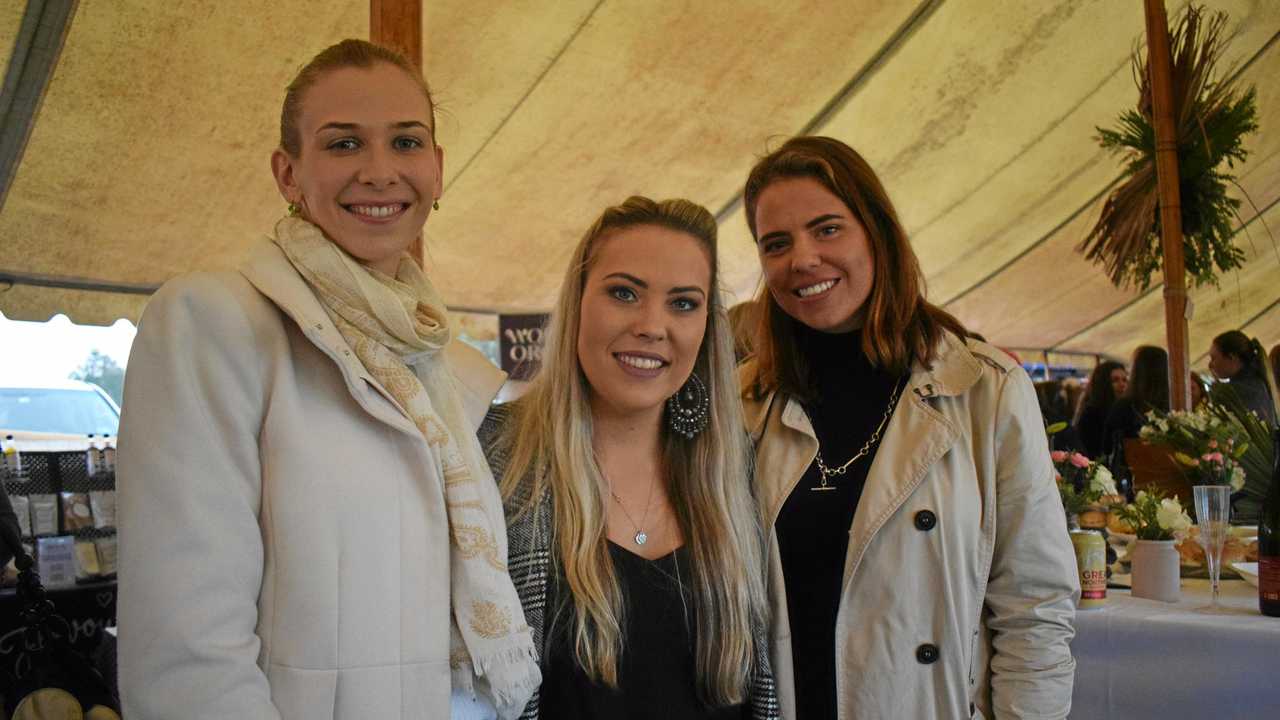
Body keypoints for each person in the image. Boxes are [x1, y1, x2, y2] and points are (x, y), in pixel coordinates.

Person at [116, 40, 538, 720]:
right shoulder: (218, 323)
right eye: (344, 144)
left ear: (437, 167)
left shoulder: (438, 360)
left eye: (407, 142)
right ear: (288, 174)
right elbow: (187, 652)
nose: (380, 172)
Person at [738, 136, 1077, 719]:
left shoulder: (984, 391)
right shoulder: (745, 400)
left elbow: (1035, 608)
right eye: (777, 243)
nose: (802, 259)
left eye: (827, 229)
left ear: (877, 232)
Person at [480, 197, 776, 719]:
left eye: (683, 303)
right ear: (578, 303)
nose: (651, 325)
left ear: (708, 324)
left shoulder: (739, 472)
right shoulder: (490, 456)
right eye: (624, 293)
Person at [1102, 345, 1170, 460]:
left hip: (1131, 473)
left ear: (1137, 370)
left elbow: (1107, 447)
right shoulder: (1175, 406)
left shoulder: (1124, 406)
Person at [1208, 330, 1279, 427]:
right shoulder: (1260, 383)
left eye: (1213, 358)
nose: (1210, 365)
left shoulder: (1232, 391)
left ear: (1232, 357)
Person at [1073, 360, 1127, 459]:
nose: (1122, 384)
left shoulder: (1123, 411)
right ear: (1103, 383)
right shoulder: (1091, 414)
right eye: (1115, 380)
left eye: (1124, 380)